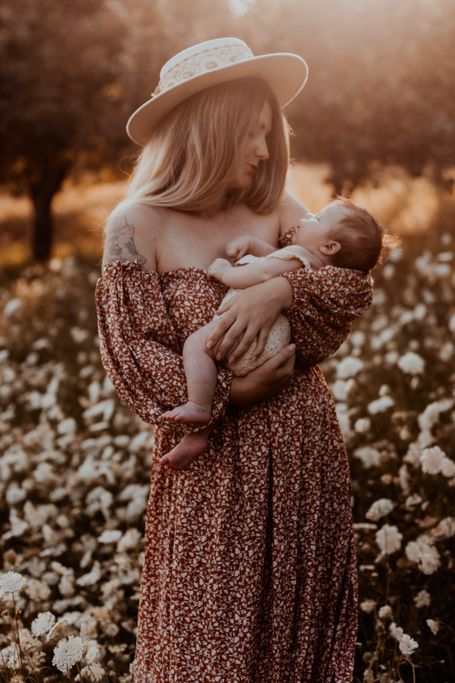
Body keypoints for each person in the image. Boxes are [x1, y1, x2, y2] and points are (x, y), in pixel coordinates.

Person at [95, 37, 375, 682]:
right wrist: (230, 395)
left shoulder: (277, 208)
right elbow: (132, 352)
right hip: (212, 462)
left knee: (294, 638)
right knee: (208, 641)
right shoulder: (136, 224)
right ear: (206, 131)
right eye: (248, 133)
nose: (262, 149)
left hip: (304, 454)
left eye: (264, 132)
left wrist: (281, 287)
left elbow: (349, 284)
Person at [159, 198, 383, 469]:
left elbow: (263, 272)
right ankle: (199, 434)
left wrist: (225, 272)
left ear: (329, 246)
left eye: (317, 217)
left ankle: (198, 406)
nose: (308, 215)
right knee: (215, 368)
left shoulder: (299, 259)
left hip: (255, 341)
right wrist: (252, 244)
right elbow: (272, 258)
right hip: (269, 348)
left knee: (197, 345)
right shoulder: (305, 262)